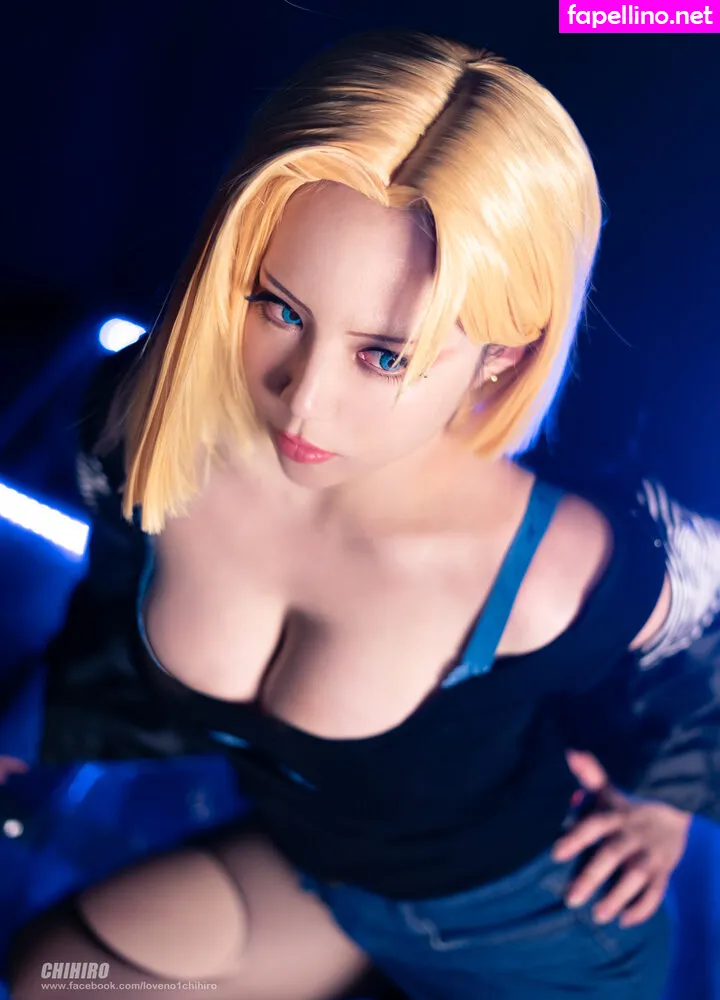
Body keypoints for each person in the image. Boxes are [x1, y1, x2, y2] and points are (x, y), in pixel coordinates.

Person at [4, 28, 720, 1000]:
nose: (303, 402)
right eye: (280, 308)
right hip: (310, 877)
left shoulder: (562, 562)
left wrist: (668, 805)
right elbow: (114, 608)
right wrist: (26, 727)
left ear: (503, 356)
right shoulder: (145, 424)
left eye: (386, 356)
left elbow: (710, 644)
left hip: (531, 936)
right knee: (61, 975)